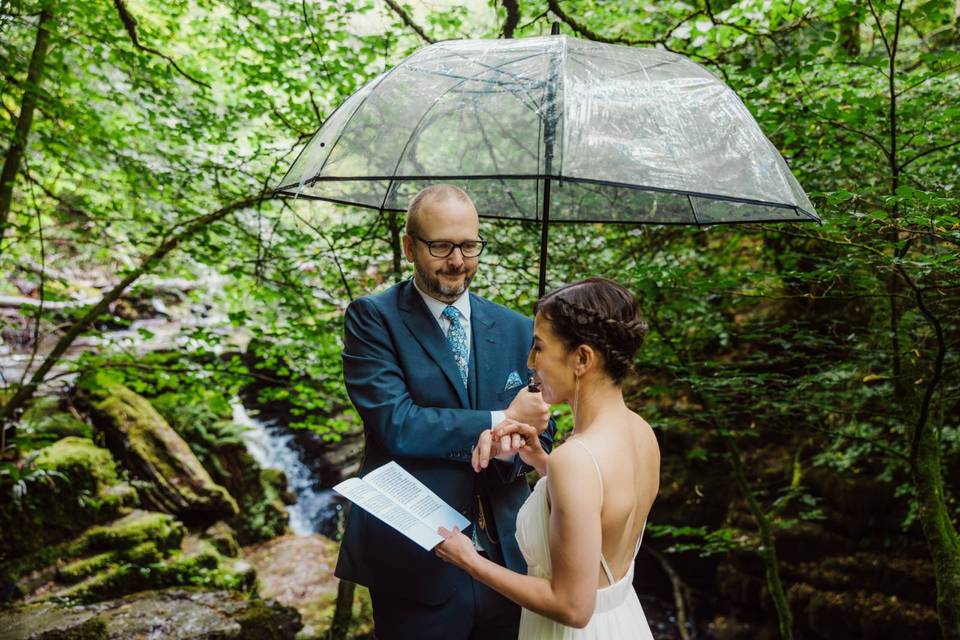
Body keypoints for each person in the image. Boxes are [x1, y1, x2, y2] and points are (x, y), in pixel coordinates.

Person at [335, 184, 556, 639]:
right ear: (409, 246)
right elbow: (397, 423)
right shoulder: (372, 318)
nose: (458, 260)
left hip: (509, 559)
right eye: (441, 246)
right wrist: (498, 420)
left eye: (469, 245)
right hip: (415, 557)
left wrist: (511, 445)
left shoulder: (518, 328)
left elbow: (541, 434)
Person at [435, 277, 659, 639]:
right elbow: (601, 507)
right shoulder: (640, 433)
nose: (529, 362)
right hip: (622, 622)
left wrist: (469, 560)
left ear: (582, 358)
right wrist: (540, 458)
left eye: (539, 348)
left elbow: (572, 606)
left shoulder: (576, 460)